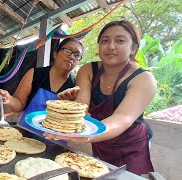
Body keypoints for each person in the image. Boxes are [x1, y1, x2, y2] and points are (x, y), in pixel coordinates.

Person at [44, 20, 157, 175]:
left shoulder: (144, 79)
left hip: (132, 145)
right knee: (100, 173)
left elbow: (122, 118)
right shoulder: (88, 70)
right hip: (101, 141)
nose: (111, 46)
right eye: (105, 41)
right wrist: (69, 109)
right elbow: (82, 107)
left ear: (134, 48)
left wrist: (87, 135)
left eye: (120, 41)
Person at [0, 38, 83, 112]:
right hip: (27, 131)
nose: (71, 57)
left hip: (56, 133)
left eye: (77, 55)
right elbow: (19, 104)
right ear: (55, 54)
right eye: (68, 50)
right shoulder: (34, 74)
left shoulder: (74, 87)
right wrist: (9, 99)